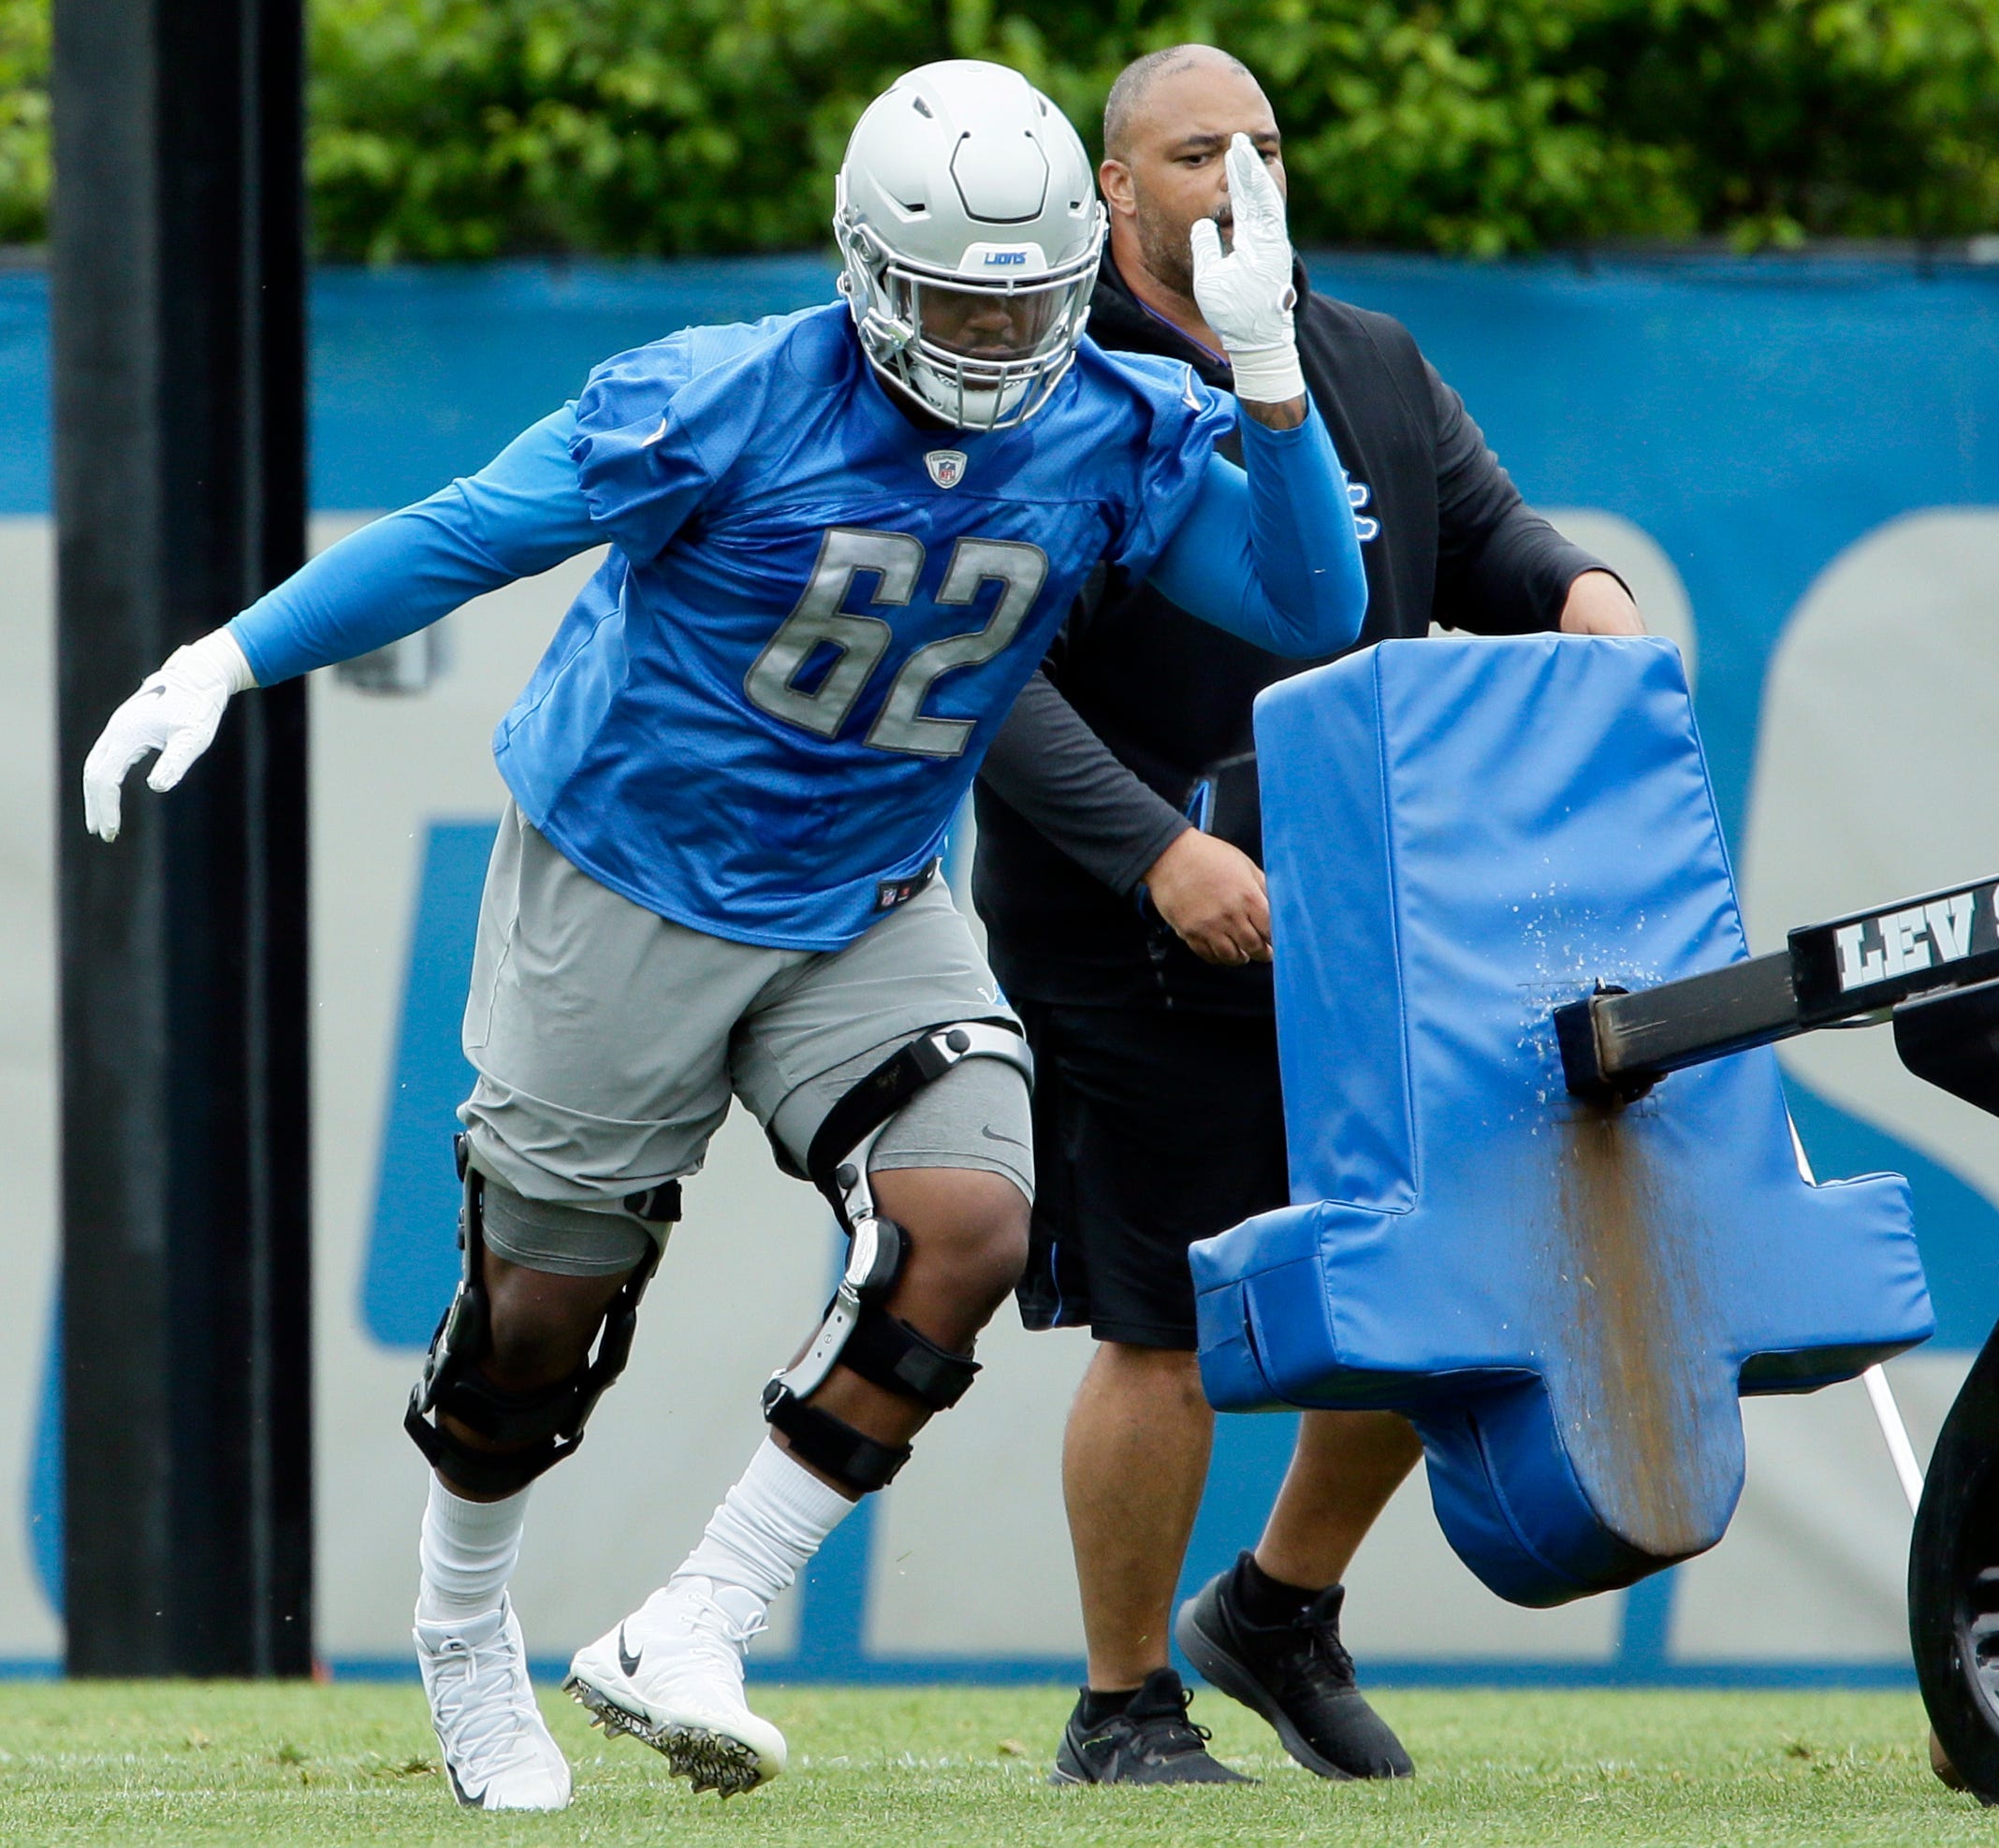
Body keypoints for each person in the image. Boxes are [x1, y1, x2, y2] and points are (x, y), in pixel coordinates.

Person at [80, 60, 1364, 1813]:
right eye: (949, 297)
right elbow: (469, 532)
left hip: (862, 901)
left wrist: (1275, 385)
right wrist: (228, 656)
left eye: (1024, 298)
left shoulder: (1115, 421)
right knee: (544, 1313)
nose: (989, 339)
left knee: (977, 1217)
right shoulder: (724, 395)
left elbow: (1311, 605)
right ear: (862, 268)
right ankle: (466, 1631)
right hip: (627, 878)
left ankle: (699, 1615)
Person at [972, 44, 1646, 1787]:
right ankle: (1121, 1707)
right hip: (1126, 932)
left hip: (1361, 920)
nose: (1238, 181)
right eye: (1198, 154)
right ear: (1115, 191)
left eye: (1263, 148)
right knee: (1170, 1328)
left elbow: (1492, 533)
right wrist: (1156, 856)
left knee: (1434, 1283)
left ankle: (1275, 1609)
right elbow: (992, 677)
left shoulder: (1363, 358)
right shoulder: (1049, 381)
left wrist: (1592, 600)